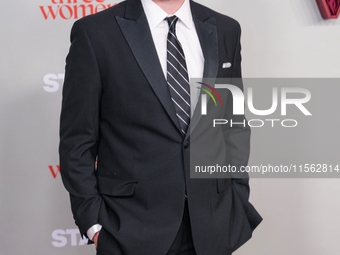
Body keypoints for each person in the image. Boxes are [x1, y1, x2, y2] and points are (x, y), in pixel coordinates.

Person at [59, 0, 262, 254]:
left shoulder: (225, 29)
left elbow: (232, 123)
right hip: (129, 229)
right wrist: (94, 224)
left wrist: (237, 195)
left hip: (213, 227)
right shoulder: (95, 33)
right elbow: (77, 142)